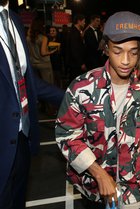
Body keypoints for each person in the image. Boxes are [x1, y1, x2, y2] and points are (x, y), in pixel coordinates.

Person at [55, 11, 140, 209]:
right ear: (105, 48)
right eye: (117, 50)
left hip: (135, 178)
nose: (125, 60)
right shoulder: (82, 87)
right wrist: (98, 173)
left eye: (133, 52)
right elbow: (67, 135)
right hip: (95, 184)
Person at [0, 1, 64, 208]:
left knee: (18, 199)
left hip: (22, 136)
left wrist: (76, 97)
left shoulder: (15, 20)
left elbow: (28, 80)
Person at [65, 13, 86, 81]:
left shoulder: (75, 31)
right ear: (79, 21)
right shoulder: (74, 32)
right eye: (83, 21)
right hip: (75, 64)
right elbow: (74, 50)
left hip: (75, 63)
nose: (84, 23)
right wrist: (81, 63)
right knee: (75, 81)